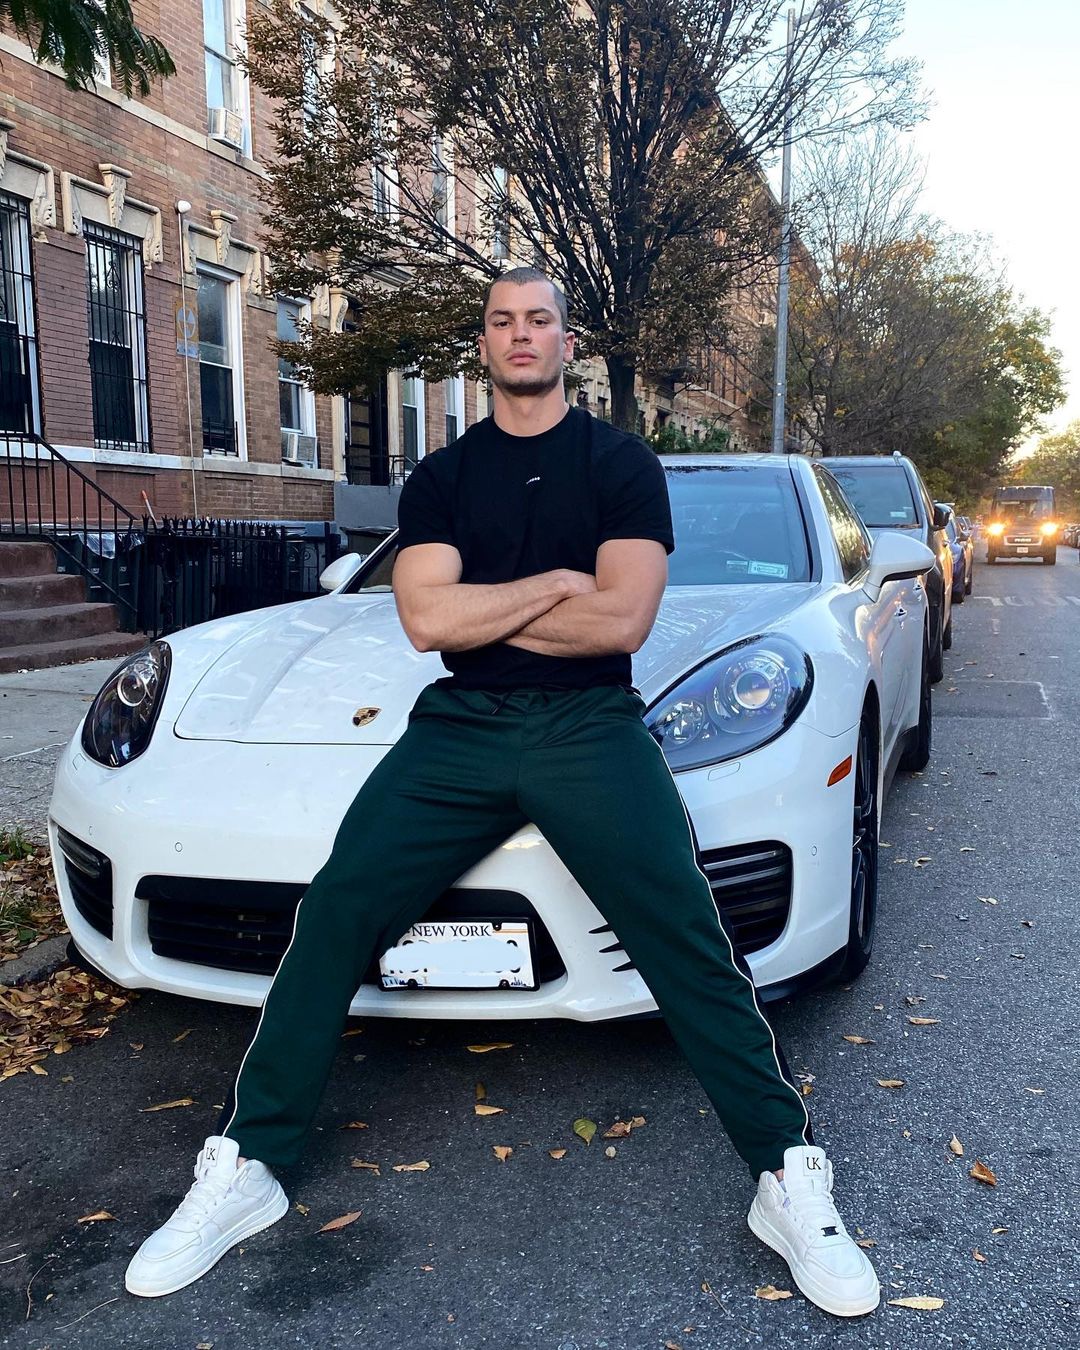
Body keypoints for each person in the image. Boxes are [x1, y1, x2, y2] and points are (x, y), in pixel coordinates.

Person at [125, 268, 879, 1317]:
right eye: (502, 321)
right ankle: (249, 1163)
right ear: (483, 344)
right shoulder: (441, 478)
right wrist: (558, 584)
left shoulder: (620, 464)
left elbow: (622, 623)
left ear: (566, 343)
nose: (521, 335)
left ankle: (786, 1173)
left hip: (591, 725)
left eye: (539, 320)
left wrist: (492, 606)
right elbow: (426, 623)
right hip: (462, 727)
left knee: (684, 933)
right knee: (337, 909)